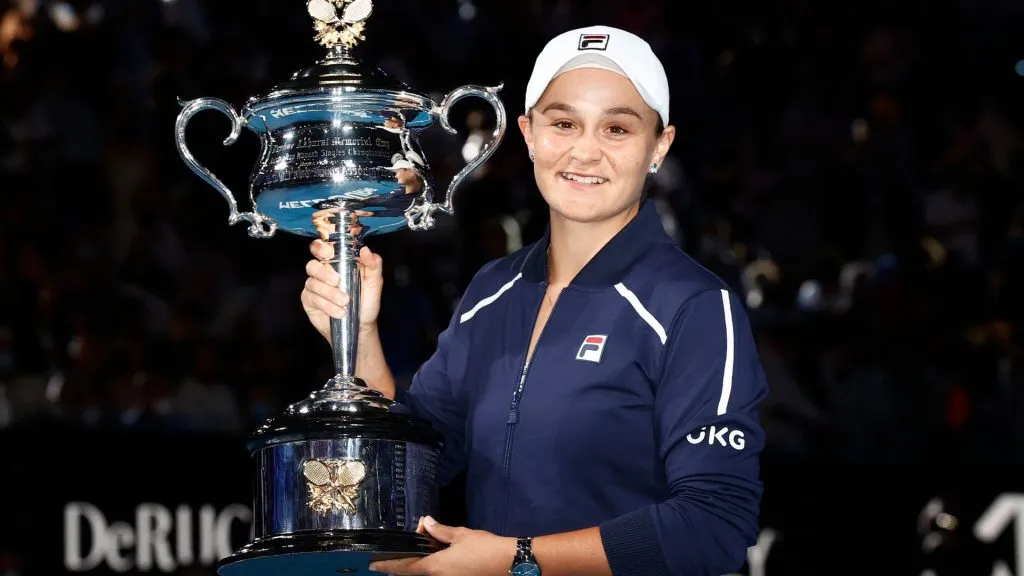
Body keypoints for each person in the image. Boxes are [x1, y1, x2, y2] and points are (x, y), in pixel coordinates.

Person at [301, 24, 768, 576]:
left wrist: (518, 558)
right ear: (527, 133)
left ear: (658, 146)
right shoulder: (490, 293)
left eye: (617, 128)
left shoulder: (693, 306)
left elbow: (713, 527)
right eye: (564, 123)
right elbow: (412, 466)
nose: (585, 151)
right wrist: (359, 335)